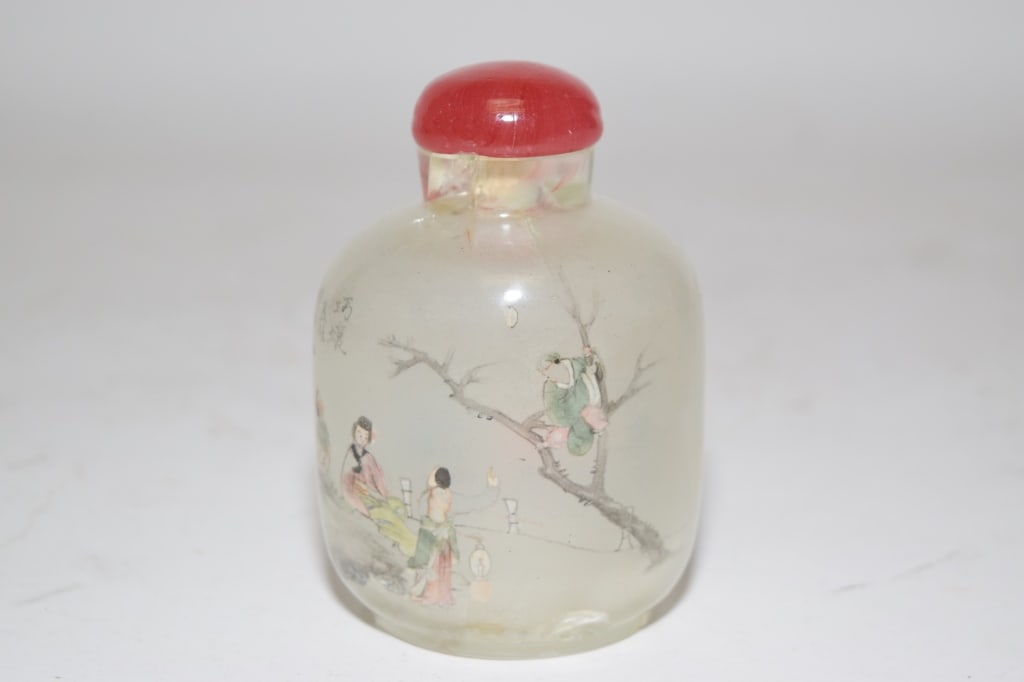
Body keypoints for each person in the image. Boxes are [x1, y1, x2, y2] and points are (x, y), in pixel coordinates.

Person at [409, 467, 458, 606]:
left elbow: (422, 509)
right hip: (444, 534)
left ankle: (429, 596)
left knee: (428, 566)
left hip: (431, 532)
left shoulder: (432, 493)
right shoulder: (449, 494)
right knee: (441, 568)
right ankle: (442, 597)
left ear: (436, 480)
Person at [341, 416, 388, 517]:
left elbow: (377, 480)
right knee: (368, 513)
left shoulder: (368, 457)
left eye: (365, 436)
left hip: (369, 493)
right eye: (359, 434)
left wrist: (383, 494)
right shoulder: (351, 453)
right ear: (354, 432)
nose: (362, 438)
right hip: (354, 492)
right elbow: (346, 480)